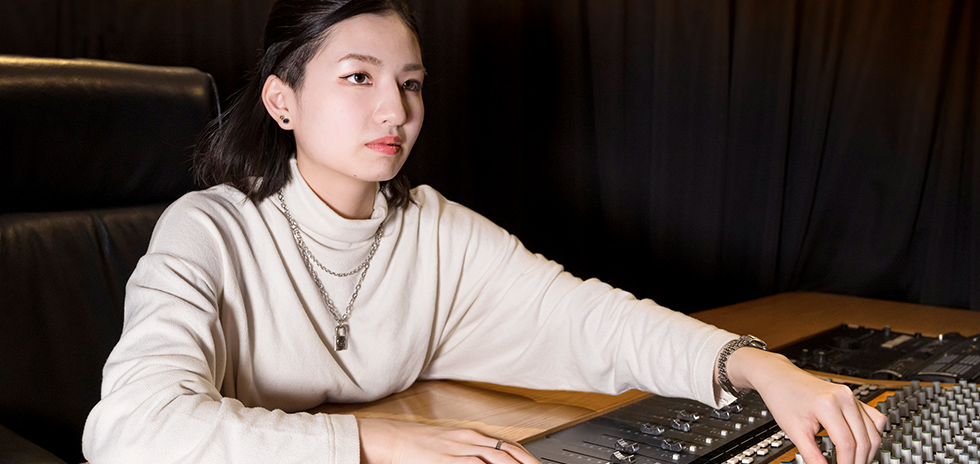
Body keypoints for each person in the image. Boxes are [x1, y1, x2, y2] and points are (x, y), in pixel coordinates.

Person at [81, 0, 887, 462]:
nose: (395, 110)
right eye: (358, 77)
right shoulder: (208, 230)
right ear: (281, 101)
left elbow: (589, 320)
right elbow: (129, 429)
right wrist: (372, 441)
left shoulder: (433, 230)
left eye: (411, 84)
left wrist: (756, 367)